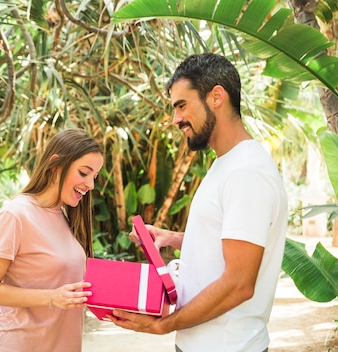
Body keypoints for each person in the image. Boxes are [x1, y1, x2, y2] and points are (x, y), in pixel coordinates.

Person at [108, 53, 288, 352]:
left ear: (216, 96)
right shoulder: (226, 164)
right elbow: (229, 242)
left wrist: (164, 325)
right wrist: (172, 238)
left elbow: (239, 283)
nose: (176, 119)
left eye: (182, 105)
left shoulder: (246, 173)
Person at [0, 128, 104, 352]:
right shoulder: (15, 215)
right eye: (84, 173)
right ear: (55, 165)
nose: (90, 185)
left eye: (94, 177)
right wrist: (51, 298)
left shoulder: (66, 217)